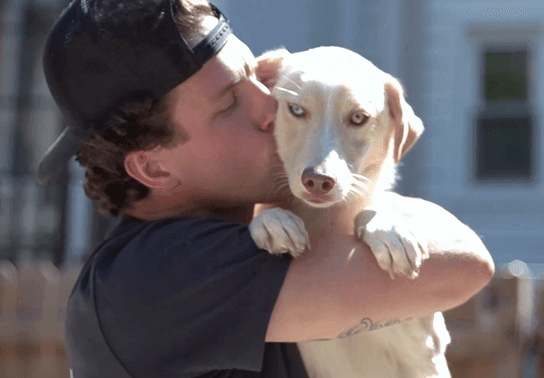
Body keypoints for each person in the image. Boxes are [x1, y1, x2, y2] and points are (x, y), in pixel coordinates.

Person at [38, 0, 495, 377]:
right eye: (230, 103)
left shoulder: (241, 236)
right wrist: (376, 211)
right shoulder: (153, 278)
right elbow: (464, 265)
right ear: (154, 168)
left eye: (256, 76)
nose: (272, 107)